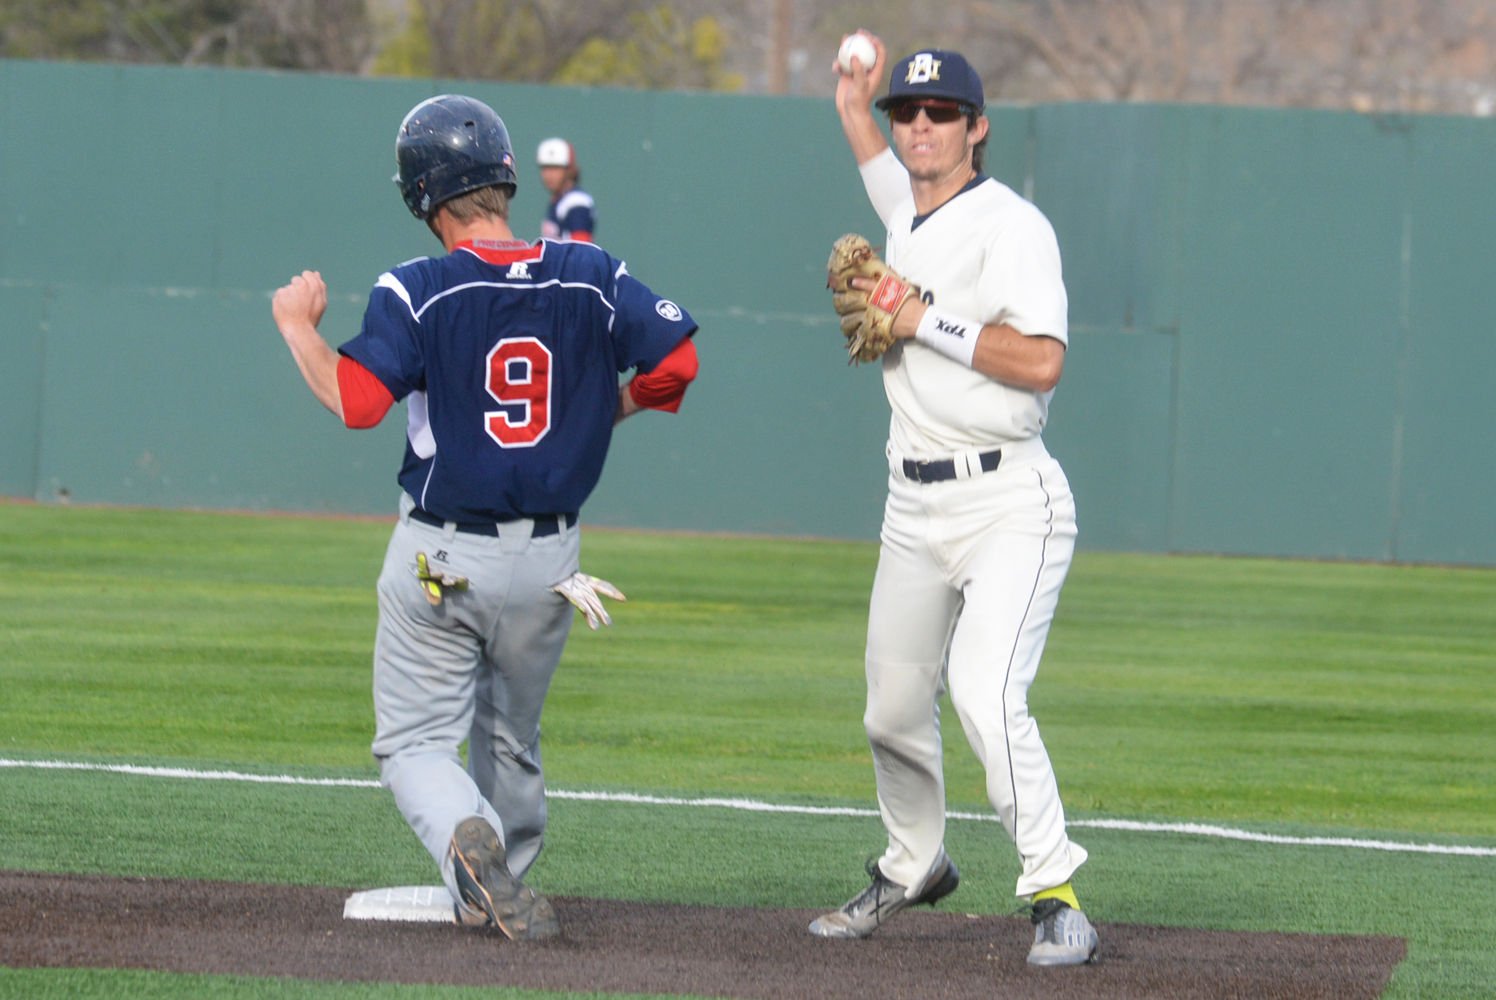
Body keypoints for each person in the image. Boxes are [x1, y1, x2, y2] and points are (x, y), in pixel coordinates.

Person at [271, 94, 699, 941]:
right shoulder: (589, 271)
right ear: (506, 177)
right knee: (510, 738)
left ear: (423, 195)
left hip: (442, 557)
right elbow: (677, 360)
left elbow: (357, 402)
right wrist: (616, 406)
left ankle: (474, 851)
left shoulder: (417, 287)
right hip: (552, 565)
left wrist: (297, 328)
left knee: (416, 746)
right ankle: (506, 886)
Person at [810, 36, 1098, 966]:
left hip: (1008, 500)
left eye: (939, 113)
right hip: (912, 506)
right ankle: (914, 863)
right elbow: (879, 170)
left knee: (982, 690)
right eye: (908, 114)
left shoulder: (1013, 226)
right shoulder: (908, 211)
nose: (920, 126)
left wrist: (919, 313)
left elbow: (1043, 360)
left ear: (977, 129)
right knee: (892, 707)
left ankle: (1055, 893)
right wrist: (855, 98)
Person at [536, 136, 596, 242]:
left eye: (556, 168)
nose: (549, 175)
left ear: (569, 170)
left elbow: (581, 249)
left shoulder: (576, 201)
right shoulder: (559, 200)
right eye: (545, 168)